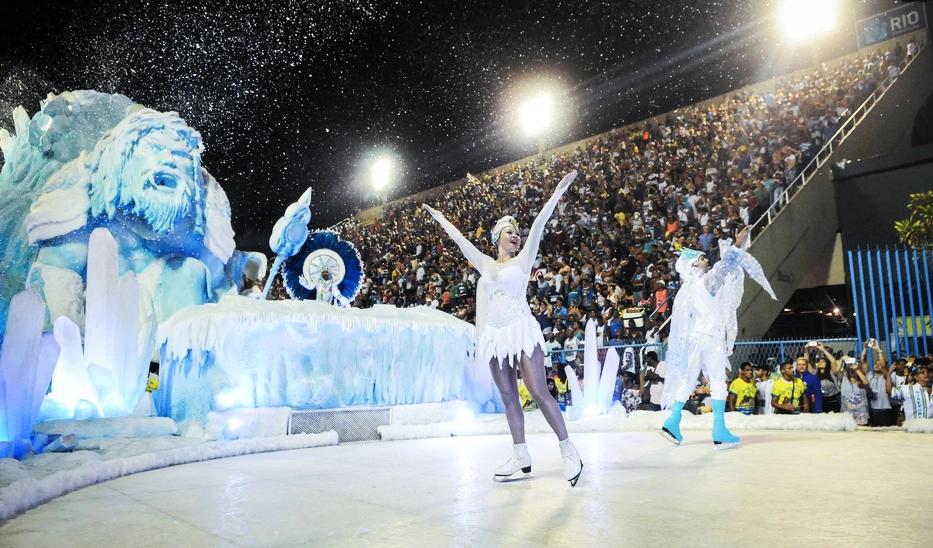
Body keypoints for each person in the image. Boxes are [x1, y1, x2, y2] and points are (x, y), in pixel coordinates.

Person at [422, 170, 583, 486]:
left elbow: (538, 225)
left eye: (517, 233)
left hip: (520, 330)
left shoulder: (522, 261)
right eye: (510, 232)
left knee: (537, 390)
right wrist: (440, 217)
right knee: (509, 397)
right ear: (497, 238)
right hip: (494, 337)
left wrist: (557, 192)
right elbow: (460, 241)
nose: (516, 235)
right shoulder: (485, 263)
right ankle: (520, 455)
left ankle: (569, 450)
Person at [659, 226, 776, 449]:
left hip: (694, 338)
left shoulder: (688, 289)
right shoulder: (705, 282)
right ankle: (720, 430)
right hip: (709, 338)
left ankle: (672, 422)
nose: (706, 260)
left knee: (688, 379)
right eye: (702, 258)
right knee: (718, 381)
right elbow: (724, 267)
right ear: (693, 265)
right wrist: (737, 246)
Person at [814, 344, 841, 413]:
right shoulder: (815, 373)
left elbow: (833, 361)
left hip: (833, 401)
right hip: (821, 401)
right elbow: (807, 363)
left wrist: (823, 349)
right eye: (819, 361)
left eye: (823, 361)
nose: (820, 362)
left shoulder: (831, 372)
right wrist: (806, 349)